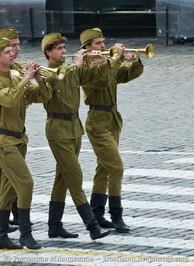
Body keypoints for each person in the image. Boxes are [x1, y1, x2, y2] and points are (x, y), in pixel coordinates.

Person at [41, 32, 112, 240]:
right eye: (60, 49)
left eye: (64, 48)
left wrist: (106, 63)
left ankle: (54, 225)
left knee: (62, 179)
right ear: (49, 52)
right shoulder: (46, 72)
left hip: (74, 128)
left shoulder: (73, 70)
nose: (64, 52)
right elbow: (57, 79)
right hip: (57, 129)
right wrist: (77, 66)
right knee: (75, 176)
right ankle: (92, 226)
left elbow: (96, 80)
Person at [0, 37, 52, 249]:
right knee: (25, 183)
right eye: (6, 52)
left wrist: (40, 79)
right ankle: (25, 233)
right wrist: (26, 78)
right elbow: (10, 100)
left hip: (19, 138)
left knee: (8, 189)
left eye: (12, 50)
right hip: (4, 141)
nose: (12, 53)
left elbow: (41, 96)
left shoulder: (15, 77)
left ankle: (1, 237)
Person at [80, 28, 144, 233]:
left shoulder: (106, 63)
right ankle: (117, 215)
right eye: (98, 43)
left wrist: (135, 62)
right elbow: (103, 79)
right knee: (116, 167)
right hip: (97, 122)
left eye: (103, 42)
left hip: (112, 119)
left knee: (104, 168)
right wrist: (115, 59)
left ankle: (97, 214)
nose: (103, 46)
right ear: (87, 47)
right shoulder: (87, 67)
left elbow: (123, 75)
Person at [0, 27, 24, 226]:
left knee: (6, 176)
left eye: (17, 46)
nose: (16, 50)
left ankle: (5, 218)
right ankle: (2, 217)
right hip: (0, 131)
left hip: (16, 130)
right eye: (12, 46)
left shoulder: (17, 70)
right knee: (8, 176)